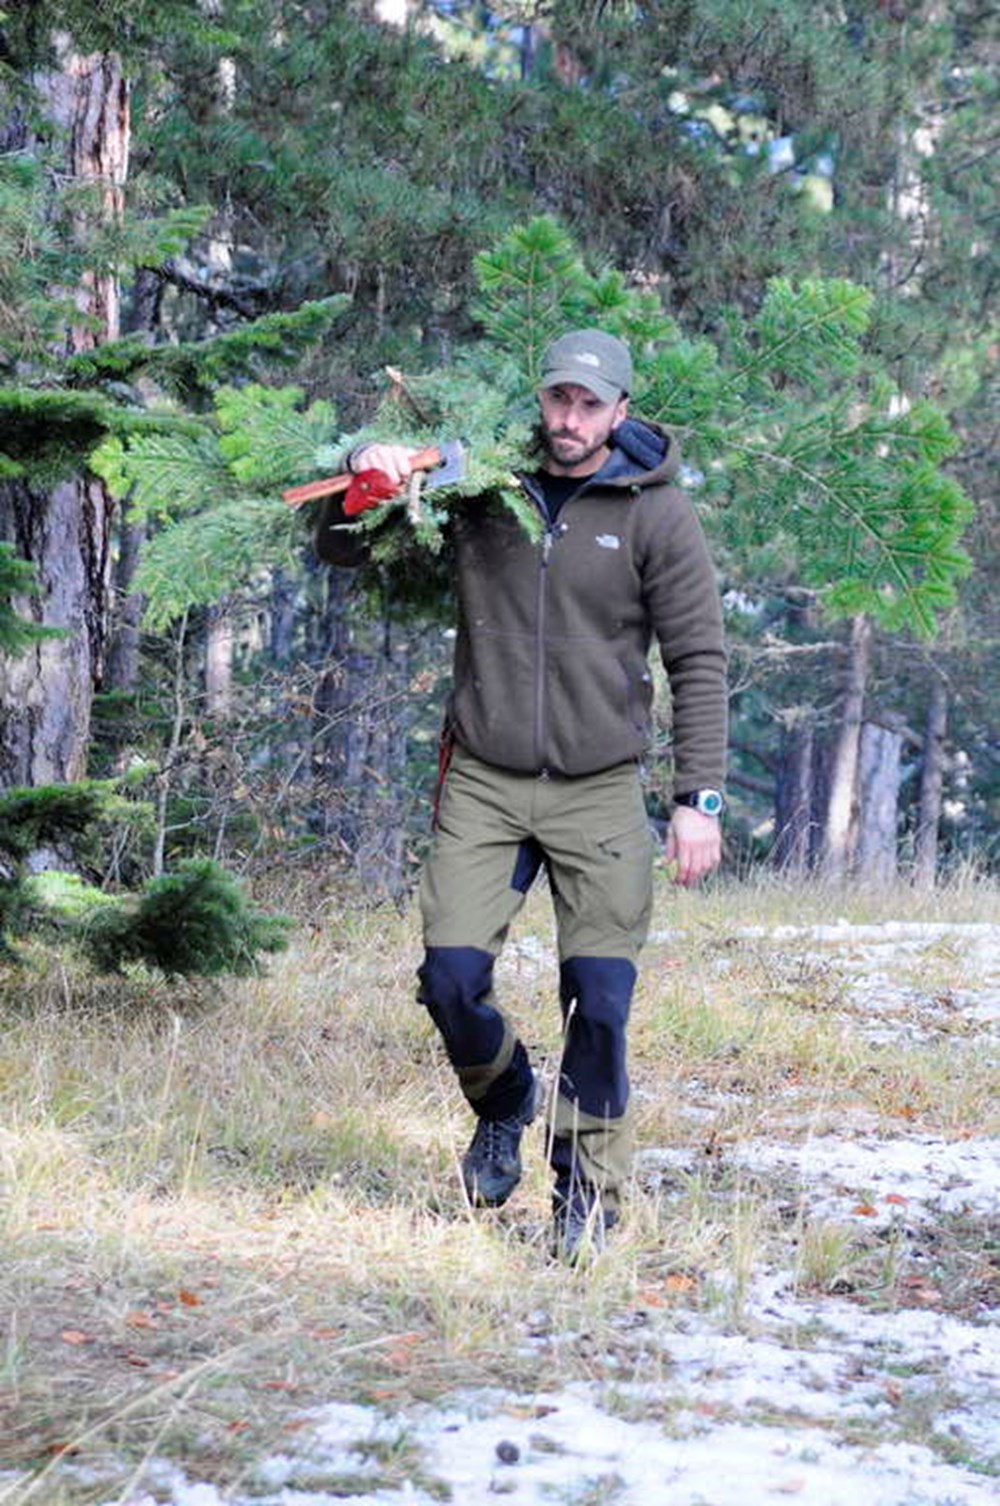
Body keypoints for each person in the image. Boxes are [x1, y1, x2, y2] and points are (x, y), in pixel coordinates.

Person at [315, 329, 727, 1260]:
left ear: (620, 412)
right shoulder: (480, 486)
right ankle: (504, 1097)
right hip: (487, 780)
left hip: (600, 789)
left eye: (589, 404)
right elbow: (342, 549)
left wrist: (698, 799)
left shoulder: (656, 512)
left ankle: (586, 1199)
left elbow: (699, 657)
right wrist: (369, 478)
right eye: (558, 399)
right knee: (450, 979)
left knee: (600, 1002)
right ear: (540, 400)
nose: (570, 419)